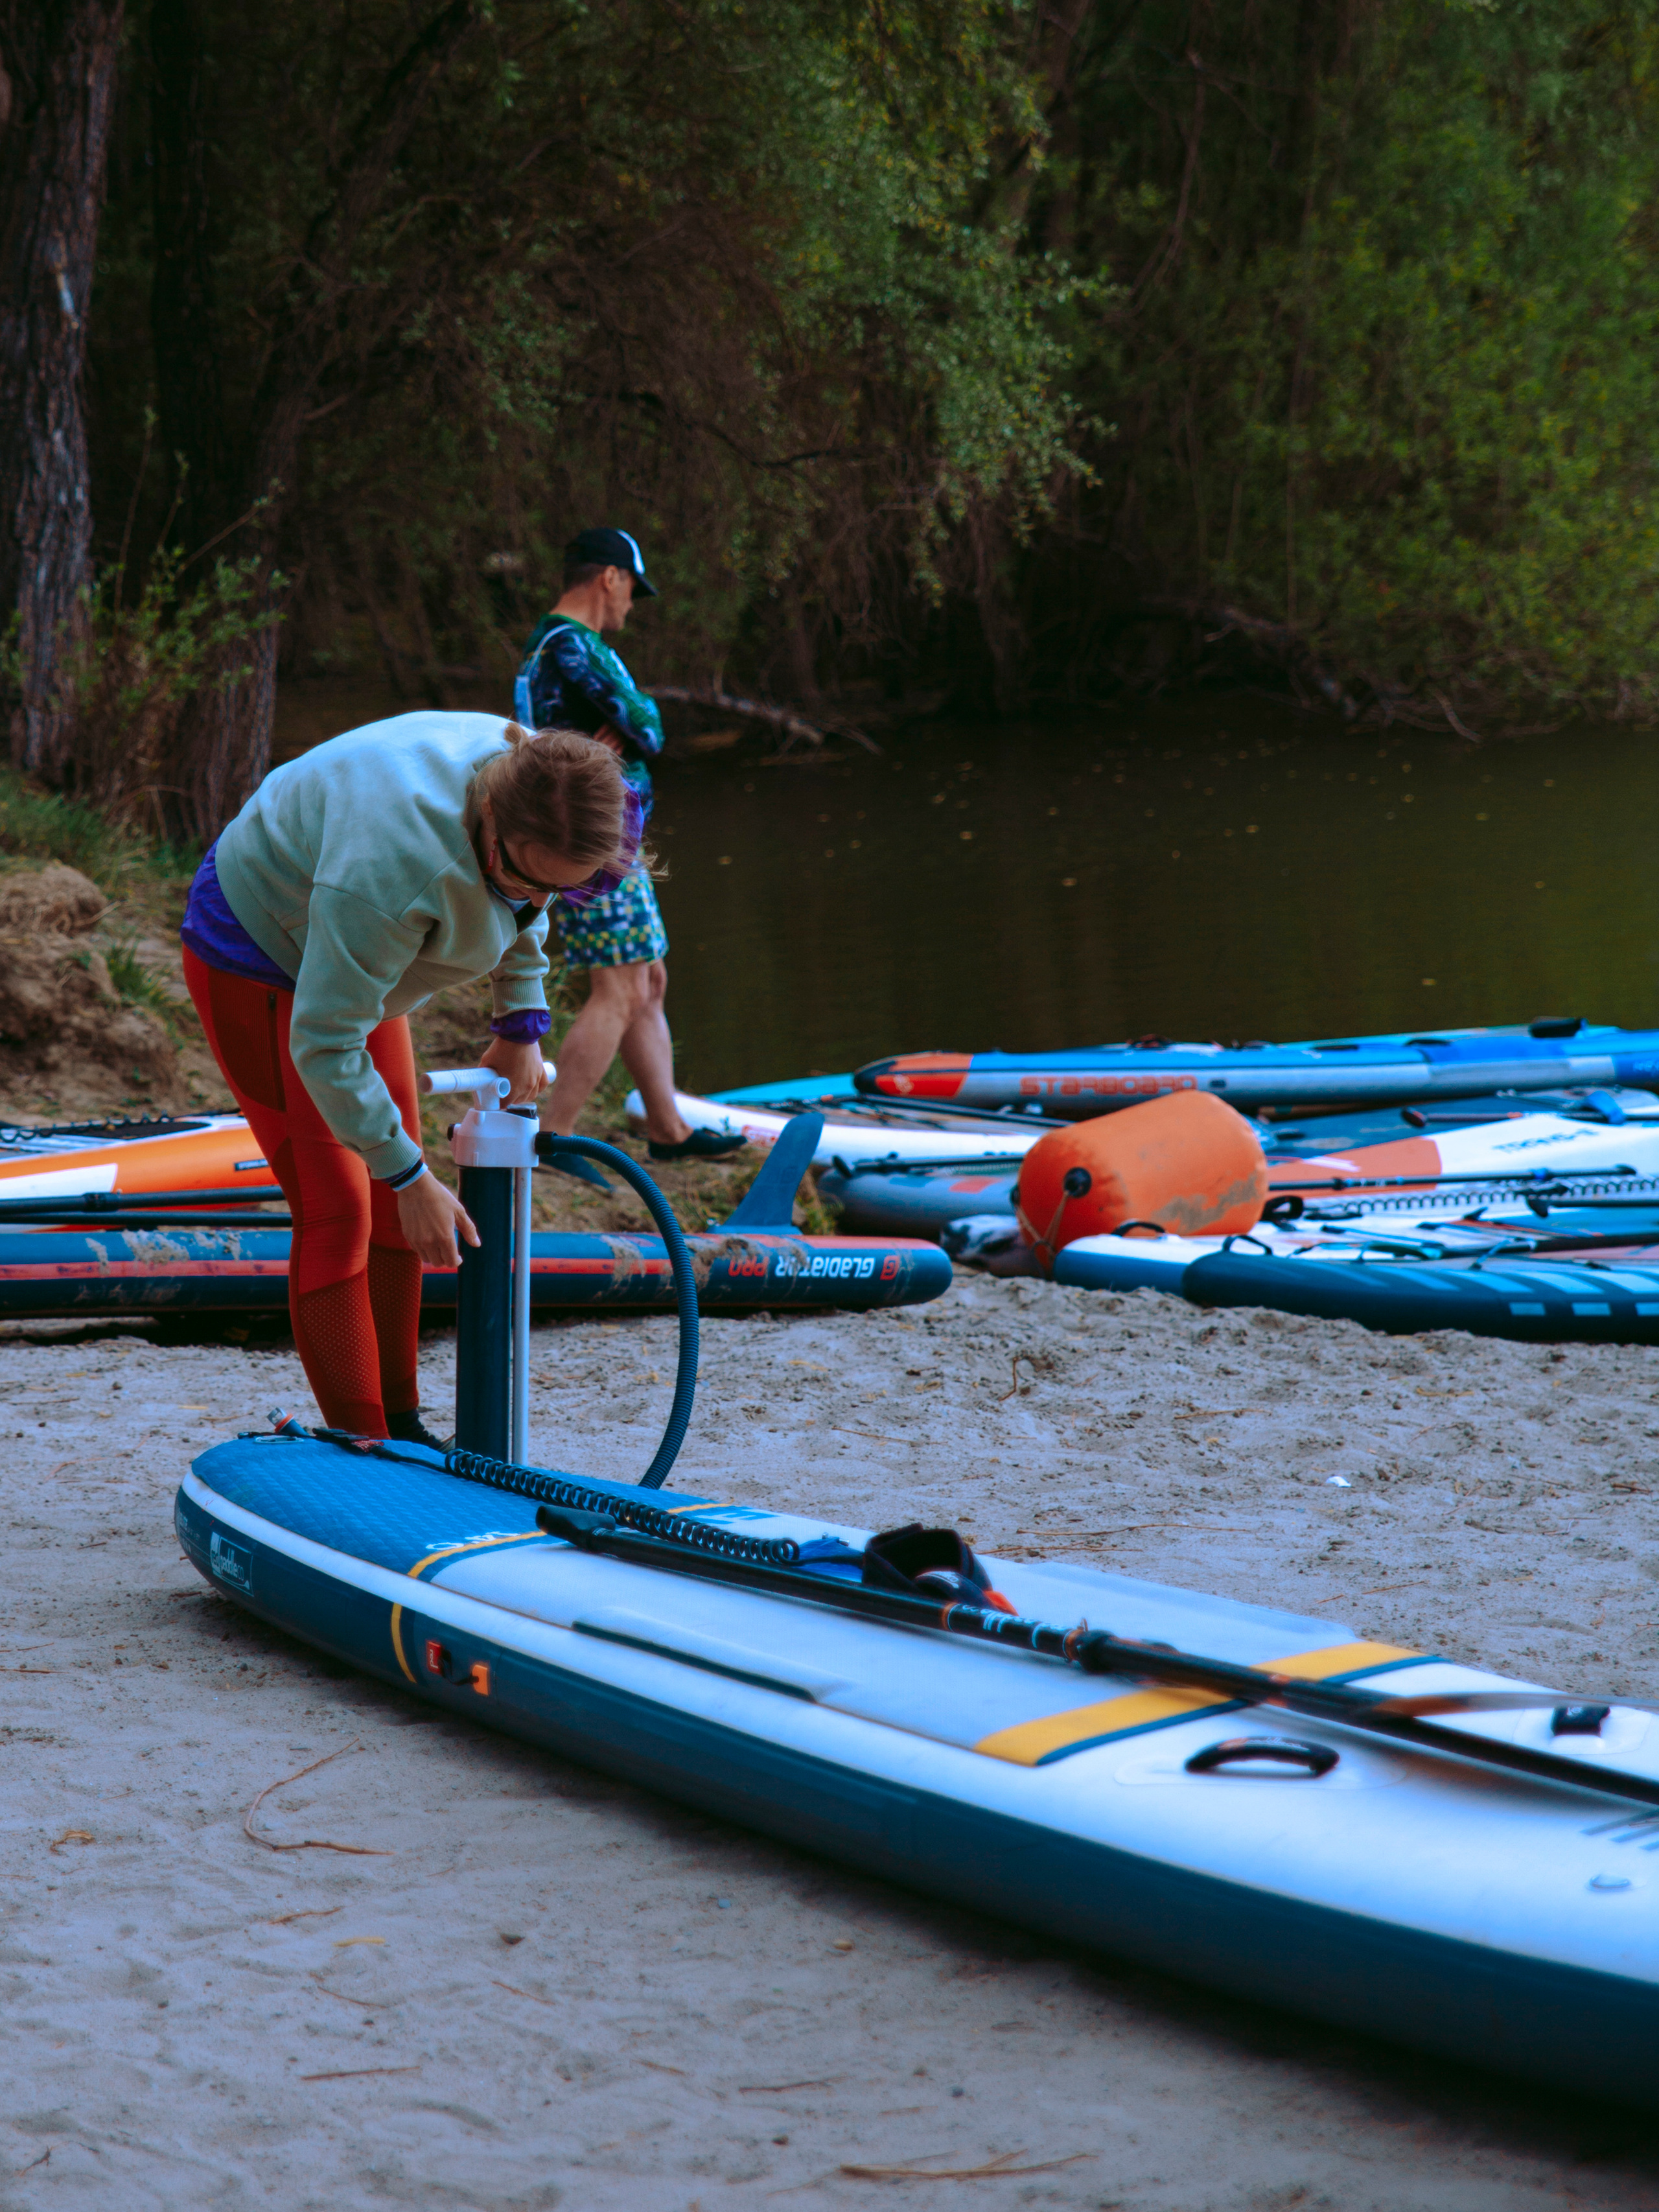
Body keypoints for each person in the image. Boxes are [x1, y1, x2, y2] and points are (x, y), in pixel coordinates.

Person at [180, 712, 640, 1445]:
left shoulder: (550, 776)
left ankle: (402, 1426)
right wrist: (407, 1175)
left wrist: (519, 1018)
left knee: (399, 1210)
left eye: (567, 886)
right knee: (342, 1210)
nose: (541, 898)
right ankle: (362, 1445)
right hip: (260, 944)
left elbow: (529, 908)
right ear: (490, 818)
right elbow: (327, 1041)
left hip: (348, 939)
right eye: (524, 876)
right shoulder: (392, 873)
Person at [515, 526, 744, 1161]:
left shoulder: (550, 645)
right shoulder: (572, 647)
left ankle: (666, 1128)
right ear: (607, 577)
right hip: (595, 840)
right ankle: (550, 1139)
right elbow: (649, 726)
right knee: (617, 988)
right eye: (631, 590)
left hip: (600, 834)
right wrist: (638, 721)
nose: (630, 605)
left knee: (649, 980)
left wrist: (631, 727)